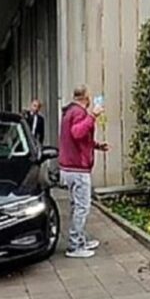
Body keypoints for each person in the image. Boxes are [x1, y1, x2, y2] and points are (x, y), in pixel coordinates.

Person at [58, 85, 110, 258]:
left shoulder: (69, 112)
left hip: (69, 167)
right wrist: (93, 115)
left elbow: (79, 139)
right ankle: (75, 245)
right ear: (86, 98)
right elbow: (77, 133)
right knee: (82, 207)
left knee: (76, 206)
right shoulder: (80, 113)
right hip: (78, 168)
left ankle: (80, 239)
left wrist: (96, 145)